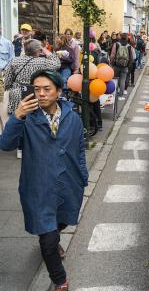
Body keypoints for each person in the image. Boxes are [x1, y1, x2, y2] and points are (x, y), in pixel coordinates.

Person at [0, 70, 88, 291]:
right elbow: (6, 145)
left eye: (46, 89)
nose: (40, 94)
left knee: (62, 222)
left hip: (69, 183)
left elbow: (79, 150)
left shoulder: (73, 117)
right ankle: (60, 281)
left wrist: (83, 177)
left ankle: (55, 237)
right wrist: (17, 116)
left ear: (59, 91)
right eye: (36, 89)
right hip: (38, 187)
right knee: (47, 241)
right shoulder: (27, 117)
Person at [110, 33, 134, 100]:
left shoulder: (116, 44)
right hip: (125, 65)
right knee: (123, 80)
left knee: (115, 79)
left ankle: (114, 94)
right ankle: (120, 96)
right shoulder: (129, 46)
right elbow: (131, 57)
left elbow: (112, 55)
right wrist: (129, 65)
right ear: (126, 38)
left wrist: (112, 63)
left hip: (116, 65)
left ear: (120, 37)